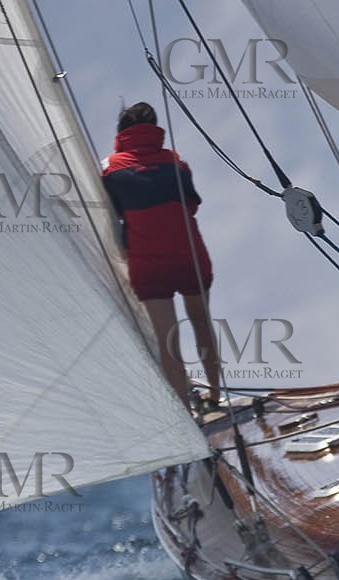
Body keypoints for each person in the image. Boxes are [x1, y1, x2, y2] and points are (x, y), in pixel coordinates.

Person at [101, 102, 220, 410]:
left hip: (148, 263)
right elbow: (191, 204)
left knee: (169, 342)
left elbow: (112, 214)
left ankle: (185, 414)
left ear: (121, 133)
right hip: (188, 256)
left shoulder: (111, 168)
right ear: (155, 131)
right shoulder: (176, 163)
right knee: (202, 323)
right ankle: (216, 395)